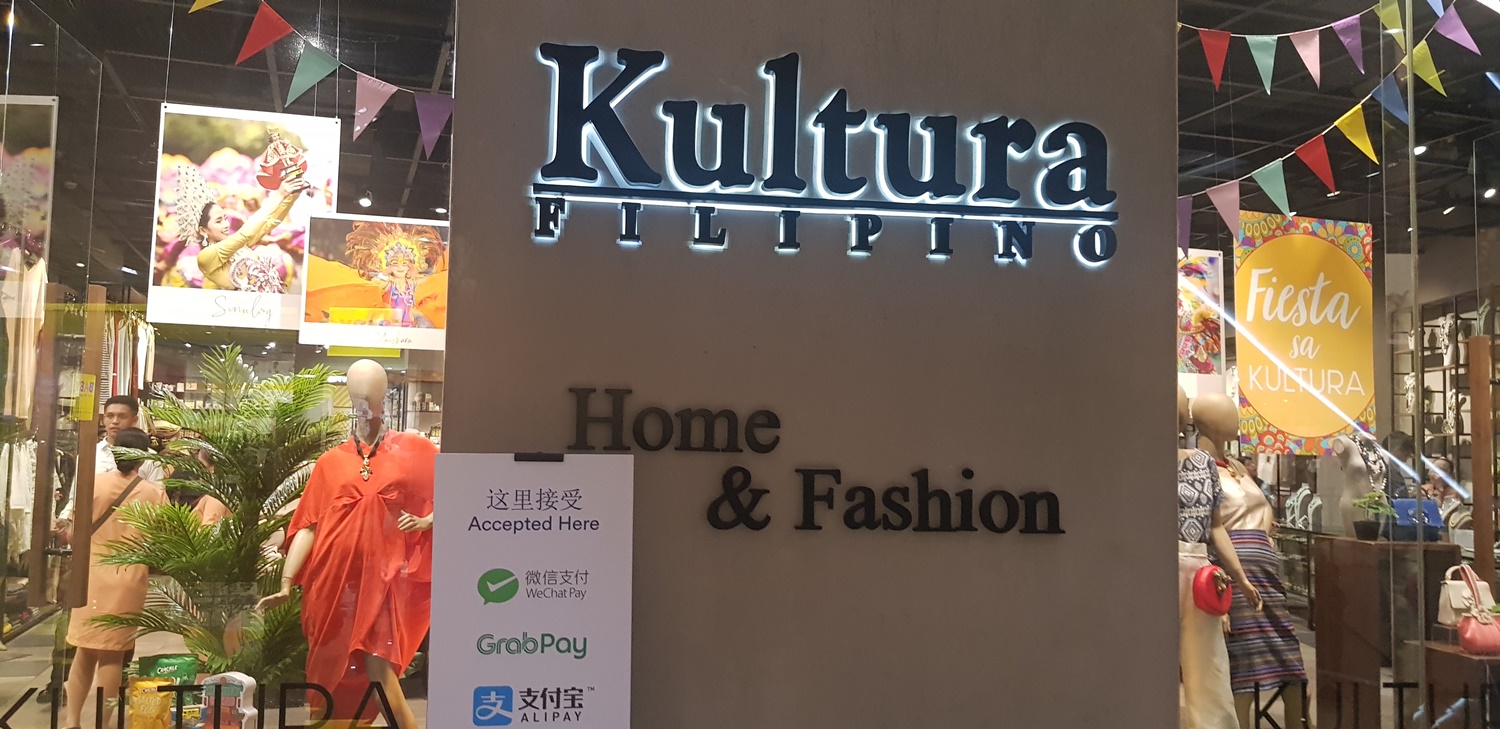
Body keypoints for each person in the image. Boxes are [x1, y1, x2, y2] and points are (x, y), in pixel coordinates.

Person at [62, 428, 168, 729]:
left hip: (90, 575)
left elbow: (75, 531)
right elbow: (162, 538)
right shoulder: (154, 493)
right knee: (112, 654)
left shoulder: (93, 484)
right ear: (143, 458)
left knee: (84, 650)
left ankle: (72, 722)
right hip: (128, 578)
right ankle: (101, 723)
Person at [180, 163, 309, 293]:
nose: (226, 224)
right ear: (203, 230)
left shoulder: (239, 248)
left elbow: (269, 223)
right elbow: (245, 233)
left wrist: (292, 195)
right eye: (219, 221)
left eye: (225, 219)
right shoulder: (206, 257)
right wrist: (279, 195)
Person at [58, 396, 165, 525]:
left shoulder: (149, 458)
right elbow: (76, 497)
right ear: (103, 419)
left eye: (122, 416)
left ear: (134, 420)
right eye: (110, 416)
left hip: (132, 529)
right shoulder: (90, 455)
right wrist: (64, 519)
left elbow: (157, 501)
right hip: (94, 530)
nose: (115, 421)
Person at [1384, 431, 1418, 498]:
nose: (1405, 460)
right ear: (1398, 449)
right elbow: (1401, 497)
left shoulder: (1378, 462)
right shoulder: (1391, 469)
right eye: (1406, 454)